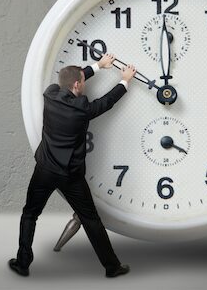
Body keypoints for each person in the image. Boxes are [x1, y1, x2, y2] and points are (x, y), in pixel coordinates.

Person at [9, 53, 136, 278]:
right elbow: (106, 102)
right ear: (77, 84)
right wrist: (125, 80)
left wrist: (97, 66)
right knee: (91, 220)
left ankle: (22, 263)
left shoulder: (50, 94)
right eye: (83, 82)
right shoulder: (82, 109)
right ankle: (112, 267)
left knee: (30, 213)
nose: (85, 85)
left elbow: (71, 80)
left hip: (44, 170)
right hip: (70, 176)